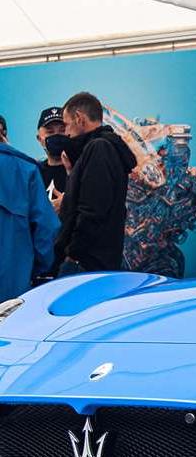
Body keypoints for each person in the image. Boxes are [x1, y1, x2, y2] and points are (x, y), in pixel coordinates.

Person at [55, 92, 137, 275]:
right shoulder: (104, 148)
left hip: (85, 263)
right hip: (97, 261)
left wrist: (74, 255)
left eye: (66, 125)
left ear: (79, 118)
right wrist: (71, 172)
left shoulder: (99, 148)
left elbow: (92, 210)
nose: (66, 133)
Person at [0, 114, 59, 301]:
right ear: (4, 135)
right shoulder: (25, 169)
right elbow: (47, 228)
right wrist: (29, 268)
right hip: (12, 293)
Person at [35, 106, 68, 209]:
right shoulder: (34, 174)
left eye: (62, 130)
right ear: (39, 139)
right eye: (50, 132)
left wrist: (69, 203)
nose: (56, 135)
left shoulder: (83, 168)